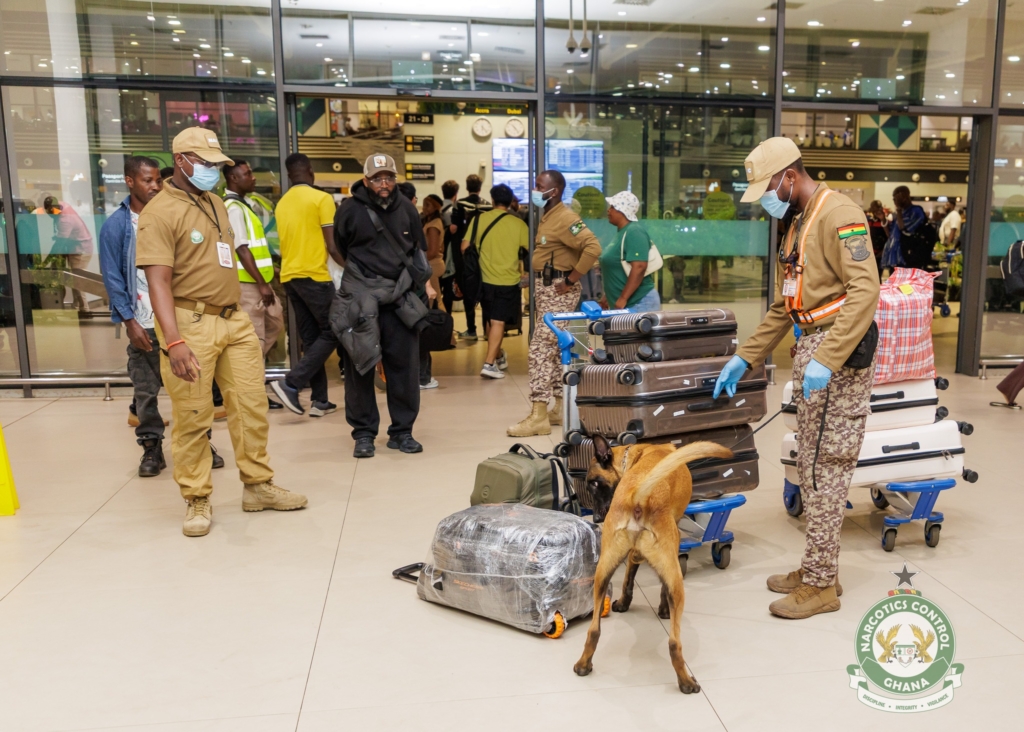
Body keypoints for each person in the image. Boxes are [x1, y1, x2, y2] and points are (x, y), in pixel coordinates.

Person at [714, 137, 879, 619]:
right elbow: (786, 304)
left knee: (825, 471)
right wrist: (745, 357)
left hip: (837, 356)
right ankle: (817, 569)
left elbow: (865, 289)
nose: (766, 200)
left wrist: (827, 358)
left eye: (768, 189)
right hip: (813, 349)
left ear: (789, 176)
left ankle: (821, 586)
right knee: (810, 467)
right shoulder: (798, 222)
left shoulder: (840, 214)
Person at [136, 127, 307, 537]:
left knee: (251, 407)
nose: (213, 170)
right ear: (181, 161)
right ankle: (197, 497)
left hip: (234, 319)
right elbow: (158, 283)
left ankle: (258, 485)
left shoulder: (214, 202)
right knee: (194, 415)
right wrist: (174, 340)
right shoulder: (159, 212)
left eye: (216, 163)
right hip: (190, 323)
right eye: (205, 162)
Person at [333, 153, 431, 458]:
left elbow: (417, 248)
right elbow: (341, 246)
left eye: (389, 177)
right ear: (366, 181)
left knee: (404, 368)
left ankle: (402, 432)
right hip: (361, 299)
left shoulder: (407, 209)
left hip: (399, 299)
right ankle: (363, 434)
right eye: (377, 179)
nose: (384, 184)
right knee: (360, 366)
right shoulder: (349, 210)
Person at [507, 170, 601, 437]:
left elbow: (593, 247)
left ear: (554, 191)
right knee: (554, 349)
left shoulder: (567, 218)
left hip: (558, 291)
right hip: (547, 288)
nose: (535, 190)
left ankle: (538, 414)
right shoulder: (549, 215)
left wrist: (571, 280)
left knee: (539, 349)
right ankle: (559, 407)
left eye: (539, 186)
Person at [99, 156, 171, 476]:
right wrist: (130, 322)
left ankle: (199, 442)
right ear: (130, 181)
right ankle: (151, 448)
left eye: (158, 180)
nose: (155, 186)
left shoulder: (170, 217)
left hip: (178, 319)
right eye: (147, 180)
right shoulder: (116, 225)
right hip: (143, 321)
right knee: (145, 391)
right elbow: (113, 278)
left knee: (192, 389)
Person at [268, 153, 345, 417]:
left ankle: (320, 400)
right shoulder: (322, 199)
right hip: (315, 276)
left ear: (290, 175)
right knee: (335, 329)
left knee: (312, 339)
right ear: (311, 171)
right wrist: (353, 269)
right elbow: (332, 245)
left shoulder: (282, 203)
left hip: (290, 277)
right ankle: (291, 383)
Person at [223, 159, 285, 411]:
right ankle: (254, 395)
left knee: (275, 323)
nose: (253, 177)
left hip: (259, 281)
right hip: (249, 285)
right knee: (255, 340)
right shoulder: (234, 208)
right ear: (233, 178)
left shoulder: (244, 205)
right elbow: (241, 249)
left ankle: (247, 379)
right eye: (247, 174)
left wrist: (271, 274)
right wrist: (262, 283)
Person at [465, 184, 528, 379]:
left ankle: (498, 355)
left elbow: (464, 246)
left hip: (484, 280)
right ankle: (489, 364)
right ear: (510, 202)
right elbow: (531, 250)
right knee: (498, 321)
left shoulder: (478, 219)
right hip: (508, 280)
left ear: (492, 200)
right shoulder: (518, 224)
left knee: (491, 320)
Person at [599, 191, 661, 313]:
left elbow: (639, 266)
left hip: (639, 302)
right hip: (626, 303)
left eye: (613, 207)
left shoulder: (634, 231)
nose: (608, 210)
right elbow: (618, 267)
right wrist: (608, 295)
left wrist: (623, 298)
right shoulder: (621, 232)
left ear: (623, 211)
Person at [453, 174, 492, 340]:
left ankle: (471, 329)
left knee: (468, 290)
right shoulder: (488, 206)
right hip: (485, 253)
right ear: (480, 188)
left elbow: (455, 230)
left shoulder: (460, 204)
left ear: (467, 187)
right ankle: (487, 331)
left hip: (466, 253)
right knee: (485, 291)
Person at [887, 185, 933, 270]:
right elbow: (891, 235)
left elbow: (905, 231)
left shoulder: (916, 211)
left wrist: (899, 211)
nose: (895, 201)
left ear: (904, 197)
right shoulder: (899, 214)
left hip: (911, 256)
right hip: (897, 258)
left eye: (896, 198)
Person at [439, 179, 461, 314]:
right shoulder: (454, 211)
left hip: (436, 255)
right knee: (448, 290)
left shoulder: (437, 209)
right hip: (449, 256)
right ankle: (447, 318)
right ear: (455, 194)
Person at [866, 200, 888, 277]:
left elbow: (889, 237)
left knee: (878, 275)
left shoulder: (885, 221)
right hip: (870, 253)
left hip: (880, 253)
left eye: (878, 208)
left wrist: (883, 220)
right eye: (874, 208)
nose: (876, 210)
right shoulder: (868, 221)